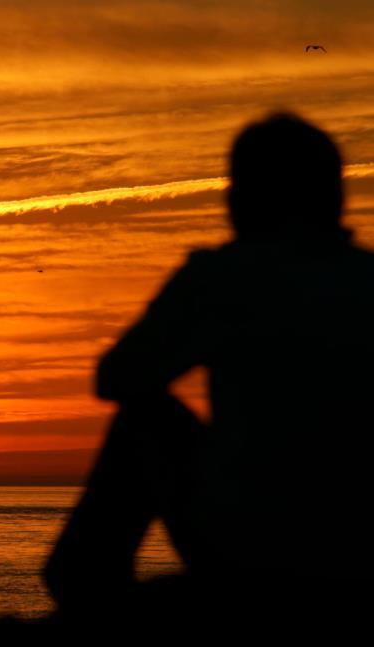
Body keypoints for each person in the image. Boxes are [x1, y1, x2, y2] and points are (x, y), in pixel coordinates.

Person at [44, 113, 374, 612]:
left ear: (242, 201)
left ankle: (90, 597)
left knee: (145, 418)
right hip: (357, 550)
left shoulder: (224, 278)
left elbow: (117, 377)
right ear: (335, 199)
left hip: (250, 543)